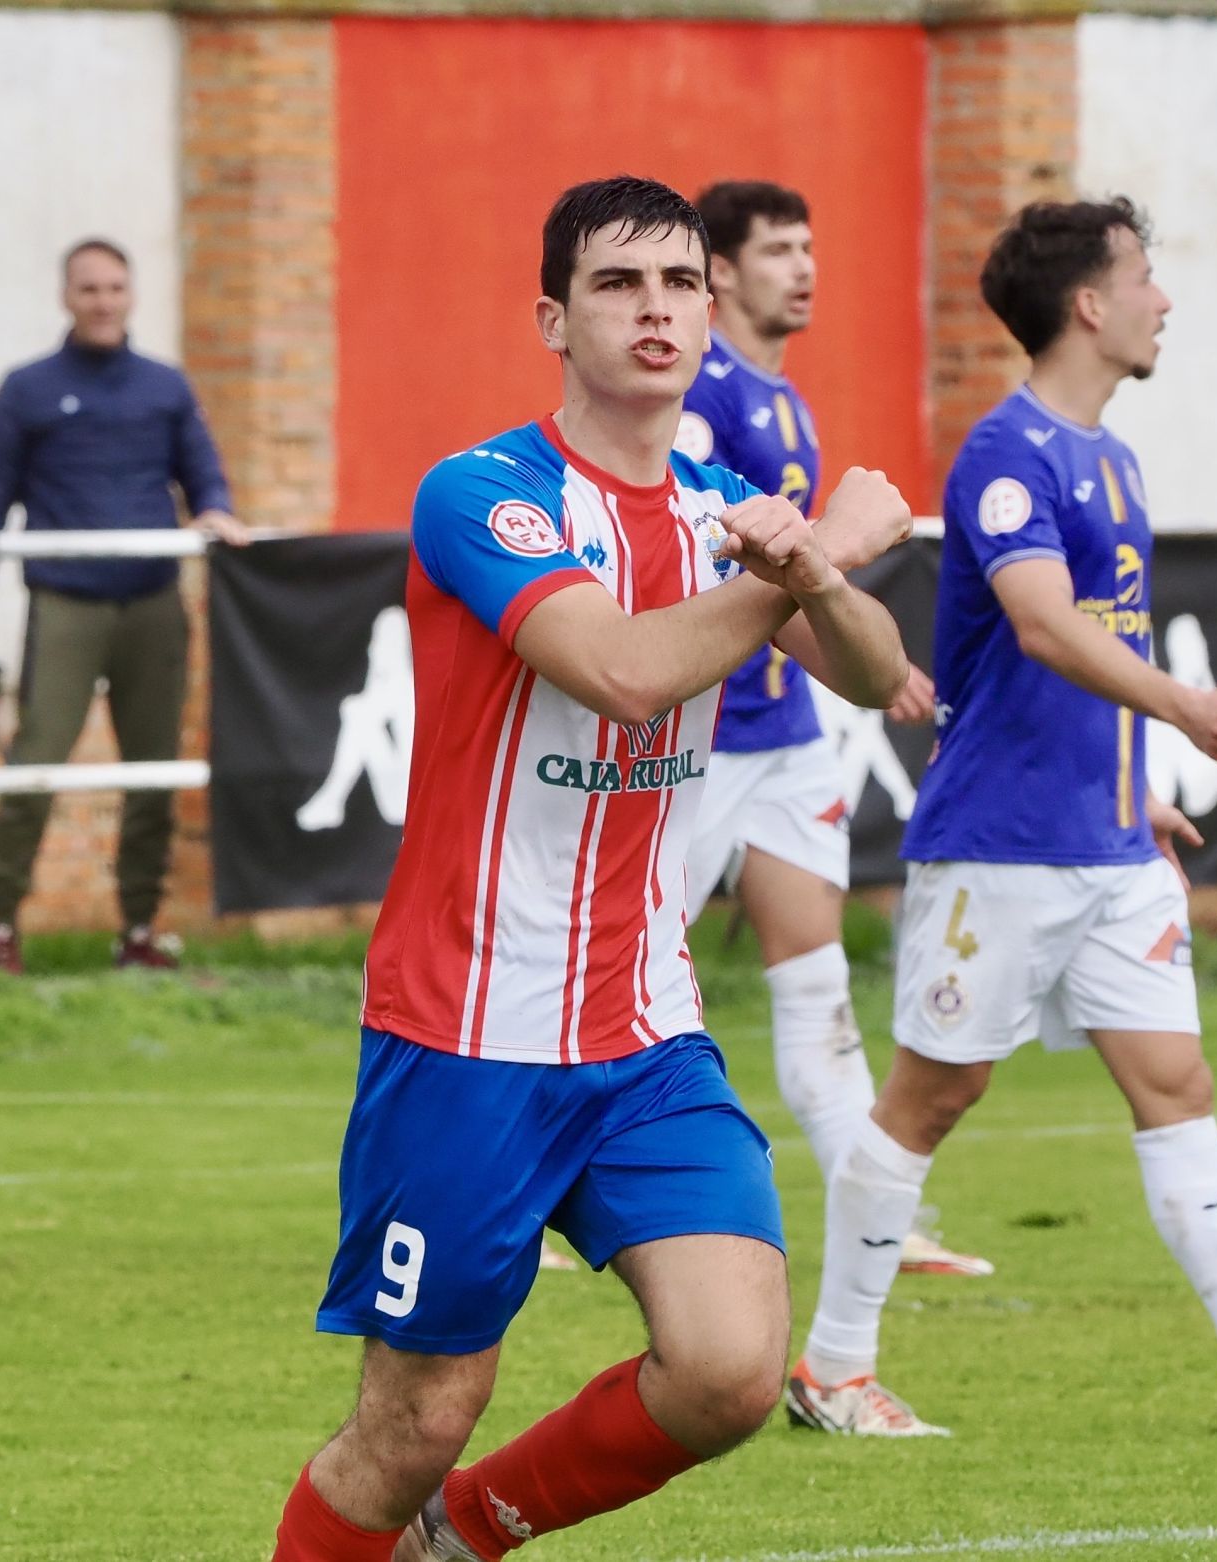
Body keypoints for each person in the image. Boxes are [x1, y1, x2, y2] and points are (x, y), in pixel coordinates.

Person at [268, 175, 913, 1562]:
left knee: (733, 1369)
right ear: (555, 317)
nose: (659, 308)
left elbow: (872, 673)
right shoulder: (484, 494)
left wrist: (817, 569)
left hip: (641, 1025)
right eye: (620, 284)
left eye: (682, 282)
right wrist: (816, 553)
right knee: (419, 1414)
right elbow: (620, 672)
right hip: (466, 1026)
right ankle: (412, 1504)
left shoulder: (721, 501)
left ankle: (464, 1535)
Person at [786, 198, 1217, 1438]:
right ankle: (830, 1369)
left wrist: (1141, 787)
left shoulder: (1114, 460)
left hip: (1112, 842)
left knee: (1177, 1082)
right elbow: (1040, 623)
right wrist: (1184, 705)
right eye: (1145, 276)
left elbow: (1095, 649)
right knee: (933, 1095)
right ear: (1089, 303)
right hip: (1001, 845)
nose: (1163, 299)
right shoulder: (1006, 454)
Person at [675, 179, 988, 1279]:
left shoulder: (784, 396)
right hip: (697, 741)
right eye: (778, 250)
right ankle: (537, 1195)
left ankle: (880, 1218)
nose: (804, 267)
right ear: (719, 271)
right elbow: (701, 558)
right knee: (624, 978)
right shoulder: (703, 397)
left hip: (787, 733)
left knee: (815, 984)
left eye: (811, 246)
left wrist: (866, 658)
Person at [0, 237, 249, 973]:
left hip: (152, 603)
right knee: (32, 765)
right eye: (89, 289)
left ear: (131, 295)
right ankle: (2, 929)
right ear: (67, 297)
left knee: (154, 773)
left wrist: (215, 512)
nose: (103, 301)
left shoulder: (165, 387)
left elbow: (204, 478)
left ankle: (139, 933)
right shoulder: (27, 389)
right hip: (66, 602)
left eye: (115, 287)